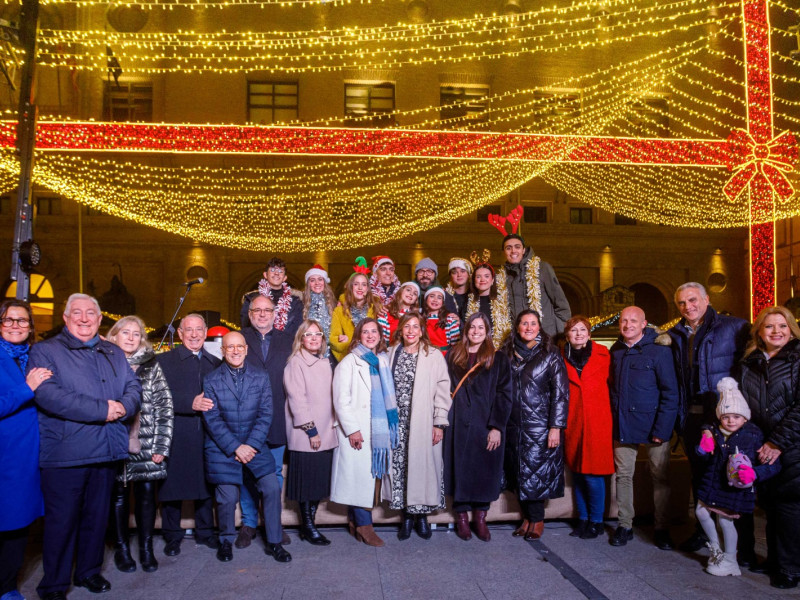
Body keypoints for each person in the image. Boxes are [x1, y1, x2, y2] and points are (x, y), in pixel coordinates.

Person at [29, 293, 142, 599]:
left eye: (90, 313)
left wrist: (124, 407)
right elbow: (50, 395)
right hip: (66, 454)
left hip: (107, 450)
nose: (83, 318)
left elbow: (133, 386)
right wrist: (103, 410)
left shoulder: (112, 351)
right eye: (76, 313)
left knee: (96, 518)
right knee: (62, 523)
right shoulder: (45, 351)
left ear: (99, 319)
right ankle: (53, 585)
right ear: (65, 319)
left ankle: (89, 572)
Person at [665, 282, 750, 555]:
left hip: (723, 416)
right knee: (700, 476)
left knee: (735, 475)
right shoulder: (676, 333)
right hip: (691, 416)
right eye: (682, 303)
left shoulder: (734, 327)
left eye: (693, 300)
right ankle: (703, 534)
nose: (688, 307)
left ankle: (744, 546)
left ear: (706, 299)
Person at [201, 331, 291, 564]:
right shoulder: (211, 380)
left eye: (239, 346)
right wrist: (235, 447)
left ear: (246, 349)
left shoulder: (261, 377)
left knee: (271, 487)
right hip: (223, 449)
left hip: (255, 445)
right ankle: (226, 541)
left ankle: (274, 542)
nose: (235, 351)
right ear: (223, 351)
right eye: (230, 347)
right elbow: (212, 420)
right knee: (227, 497)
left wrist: (249, 445)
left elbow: (265, 414)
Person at [694, 378, 780, 578]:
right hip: (712, 482)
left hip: (734, 488)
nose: (731, 421)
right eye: (726, 417)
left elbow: (772, 464)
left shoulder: (753, 435)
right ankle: (716, 549)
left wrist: (755, 474)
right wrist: (702, 449)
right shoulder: (715, 430)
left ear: (745, 418)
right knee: (701, 511)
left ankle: (731, 560)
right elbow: (706, 456)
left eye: (736, 416)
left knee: (725, 521)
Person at [739, 306, 800, 589]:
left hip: (791, 446)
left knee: (789, 507)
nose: (776, 331)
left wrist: (777, 442)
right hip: (761, 447)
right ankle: (776, 560)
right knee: (772, 505)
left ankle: (790, 568)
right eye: (769, 327)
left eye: (782, 326)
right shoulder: (750, 362)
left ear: (791, 330)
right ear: (759, 333)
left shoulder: (797, 359)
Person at [107, 316, 174, 574]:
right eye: (126, 333)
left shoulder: (151, 365)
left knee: (147, 497)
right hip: (114, 441)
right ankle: (122, 550)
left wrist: (161, 446)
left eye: (137, 334)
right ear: (114, 336)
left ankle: (146, 550)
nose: (131, 338)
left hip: (147, 444)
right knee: (119, 498)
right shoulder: (105, 363)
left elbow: (164, 406)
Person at [608, 306, 679, 550]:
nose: (627, 325)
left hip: (654, 426)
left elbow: (671, 394)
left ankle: (661, 528)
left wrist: (663, 429)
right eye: (624, 321)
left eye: (633, 321)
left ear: (644, 323)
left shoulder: (659, 352)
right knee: (624, 476)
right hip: (624, 425)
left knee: (659, 477)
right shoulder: (616, 351)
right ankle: (625, 524)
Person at [444, 312, 513, 542]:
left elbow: (505, 394)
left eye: (480, 328)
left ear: (487, 331)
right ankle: (462, 518)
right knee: (459, 469)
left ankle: (480, 518)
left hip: (485, 423)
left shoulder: (498, 358)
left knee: (485, 470)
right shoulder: (454, 355)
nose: (475, 331)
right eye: (472, 327)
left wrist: (497, 426)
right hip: (457, 424)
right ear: (466, 330)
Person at [157, 314, 221, 557]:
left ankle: (205, 532)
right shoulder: (163, 361)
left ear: (205, 333)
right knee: (171, 487)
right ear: (180, 334)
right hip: (176, 432)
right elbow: (154, 397)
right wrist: (187, 402)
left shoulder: (215, 362)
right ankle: (172, 536)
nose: (194, 335)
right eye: (188, 330)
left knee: (204, 484)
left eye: (199, 330)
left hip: (206, 433)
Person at [330, 318, 398, 547]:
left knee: (368, 479)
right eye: (365, 332)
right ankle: (364, 525)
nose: (370, 336)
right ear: (358, 336)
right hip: (357, 430)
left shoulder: (382, 361)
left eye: (374, 332)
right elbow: (341, 400)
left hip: (376, 431)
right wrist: (352, 430)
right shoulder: (349, 362)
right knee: (359, 480)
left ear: (380, 335)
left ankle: (355, 521)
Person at [384, 313, 452, 540]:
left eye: (416, 327)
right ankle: (406, 518)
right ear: (400, 330)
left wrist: (439, 422)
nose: (411, 331)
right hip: (397, 423)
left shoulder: (433, 355)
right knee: (401, 469)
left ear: (422, 331)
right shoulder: (392, 352)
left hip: (422, 421)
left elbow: (443, 389)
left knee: (422, 468)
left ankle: (422, 518)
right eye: (407, 326)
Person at [0, 300, 51, 600]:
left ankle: (7, 586)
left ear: (31, 327)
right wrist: (26, 388)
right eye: (8, 320)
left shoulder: (35, 356)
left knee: (18, 525)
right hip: (4, 454)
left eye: (22, 321)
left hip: (29, 455)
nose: (15, 325)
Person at [503, 310, 568, 541]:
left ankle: (537, 520)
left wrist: (556, 427)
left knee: (536, 474)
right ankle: (526, 518)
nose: (528, 327)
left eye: (533, 324)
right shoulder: (507, 353)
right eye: (524, 324)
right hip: (513, 425)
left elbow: (560, 394)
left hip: (540, 427)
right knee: (519, 473)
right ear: (517, 327)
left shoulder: (550, 355)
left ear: (539, 327)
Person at [239, 294, 293, 548]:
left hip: (278, 419)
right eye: (256, 310)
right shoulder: (239, 339)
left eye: (267, 310)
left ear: (274, 313)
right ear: (249, 315)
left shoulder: (288, 340)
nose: (262, 314)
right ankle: (249, 524)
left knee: (274, 475)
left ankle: (274, 524)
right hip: (245, 421)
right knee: (247, 475)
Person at [283, 320, 337, 546]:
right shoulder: (295, 363)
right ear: (301, 339)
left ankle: (310, 524)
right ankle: (308, 527)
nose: (314, 338)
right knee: (306, 485)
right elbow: (297, 400)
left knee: (317, 483)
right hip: (309, 434)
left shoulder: (324, 361)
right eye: (308, 334)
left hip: (326, 431)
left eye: (318, 334)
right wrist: (312, 430)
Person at [561, 315, 614, 539]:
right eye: (574, 330)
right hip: (573, 420)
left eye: (583, 330)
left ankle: (597, 520)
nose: (579, 334)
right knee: (578, 473)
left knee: (594, 473)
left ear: (589, 334)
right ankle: (583, 519)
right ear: (567, 335)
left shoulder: (604, 355)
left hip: (598, 420)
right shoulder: (560, 357)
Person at [495, 228, 571, 336]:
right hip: (516, 338)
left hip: (545, 336)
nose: (513, 251)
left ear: (523, 250)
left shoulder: (542, 268)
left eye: (517, 247)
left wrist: (559, 331)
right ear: (504, 252)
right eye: (508, 248)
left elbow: (561, 303)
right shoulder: (501, 276)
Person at [330, 257, 381, 362]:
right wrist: (344, 342)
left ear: (367, 289)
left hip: (372, 358)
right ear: (351, 288)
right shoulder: (339, 311)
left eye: (364, 284)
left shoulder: (376, 309)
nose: (360, 288)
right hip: (350, 359)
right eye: (356, 284)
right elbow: (333, 339)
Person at [241, 257, 304, 338]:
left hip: (287, 345)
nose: (276, 273)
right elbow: (245, 327)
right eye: (272, 270)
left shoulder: (296, 302)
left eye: (281, 271)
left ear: (285, 278)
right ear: (265, 275)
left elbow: (299, 329)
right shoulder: (251, 299)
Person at [464, 257, 511, 349]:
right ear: (474, 280)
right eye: (478, 277)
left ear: (492, 280)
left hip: (499, 349)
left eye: (486, 276)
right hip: (475, 349)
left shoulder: (503, 302)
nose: (482, 280)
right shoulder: (468, 302)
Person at [302, 264, 337, 359]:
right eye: (312, 280)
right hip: (308, 352)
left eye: (320, 279)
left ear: (325, 282)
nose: (317, 283)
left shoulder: (334, 304)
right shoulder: (301, 303)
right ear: (308, 284)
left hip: (330, 352)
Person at [422, 285, 460, 352]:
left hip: (444, 355)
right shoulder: (421, 319)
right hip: (426, 354)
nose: (435, 300)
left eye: (439, 298)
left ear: (443, 302)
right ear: (426, 299)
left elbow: (456, 343)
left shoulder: (450, 319)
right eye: (432, 296)